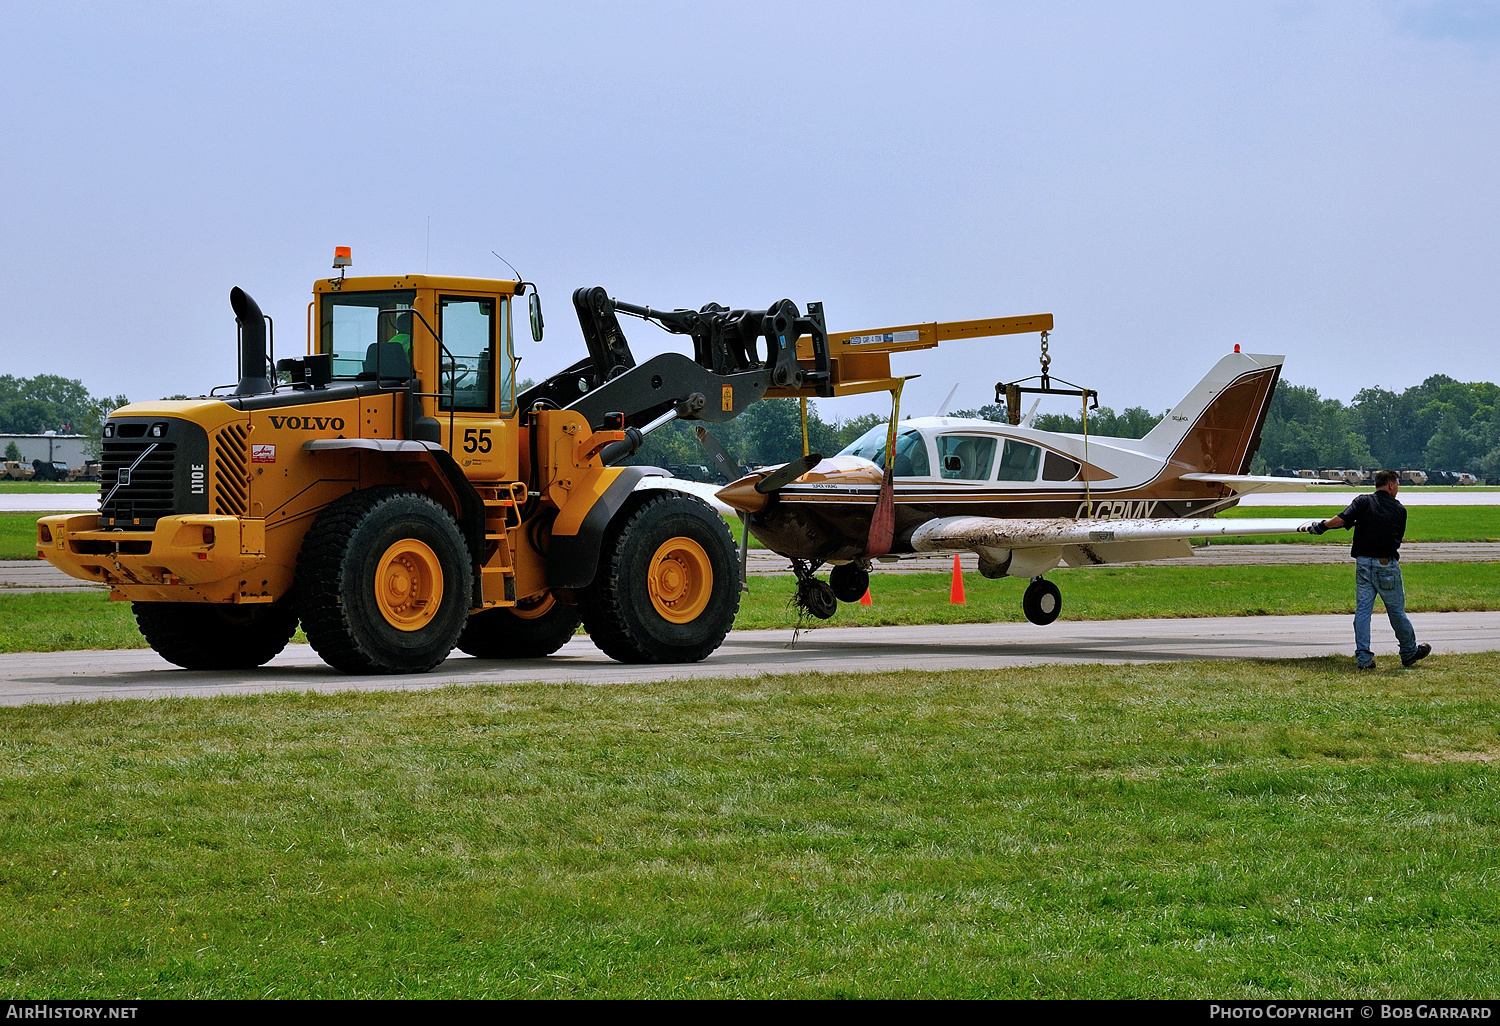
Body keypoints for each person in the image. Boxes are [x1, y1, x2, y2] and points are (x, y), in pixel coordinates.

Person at [1308, 469, 1430, 670]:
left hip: (1363, 565)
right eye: (1397, 484)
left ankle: (1364, 659)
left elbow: (1341, 519)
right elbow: (1396, 538)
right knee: (1396, 612)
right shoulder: (1400, 510)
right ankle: (1409, 652)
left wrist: (1321, 526)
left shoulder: (1363, 502)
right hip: (1387, 566)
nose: (1398, 488)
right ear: (1391, 485)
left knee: (1363, 612)